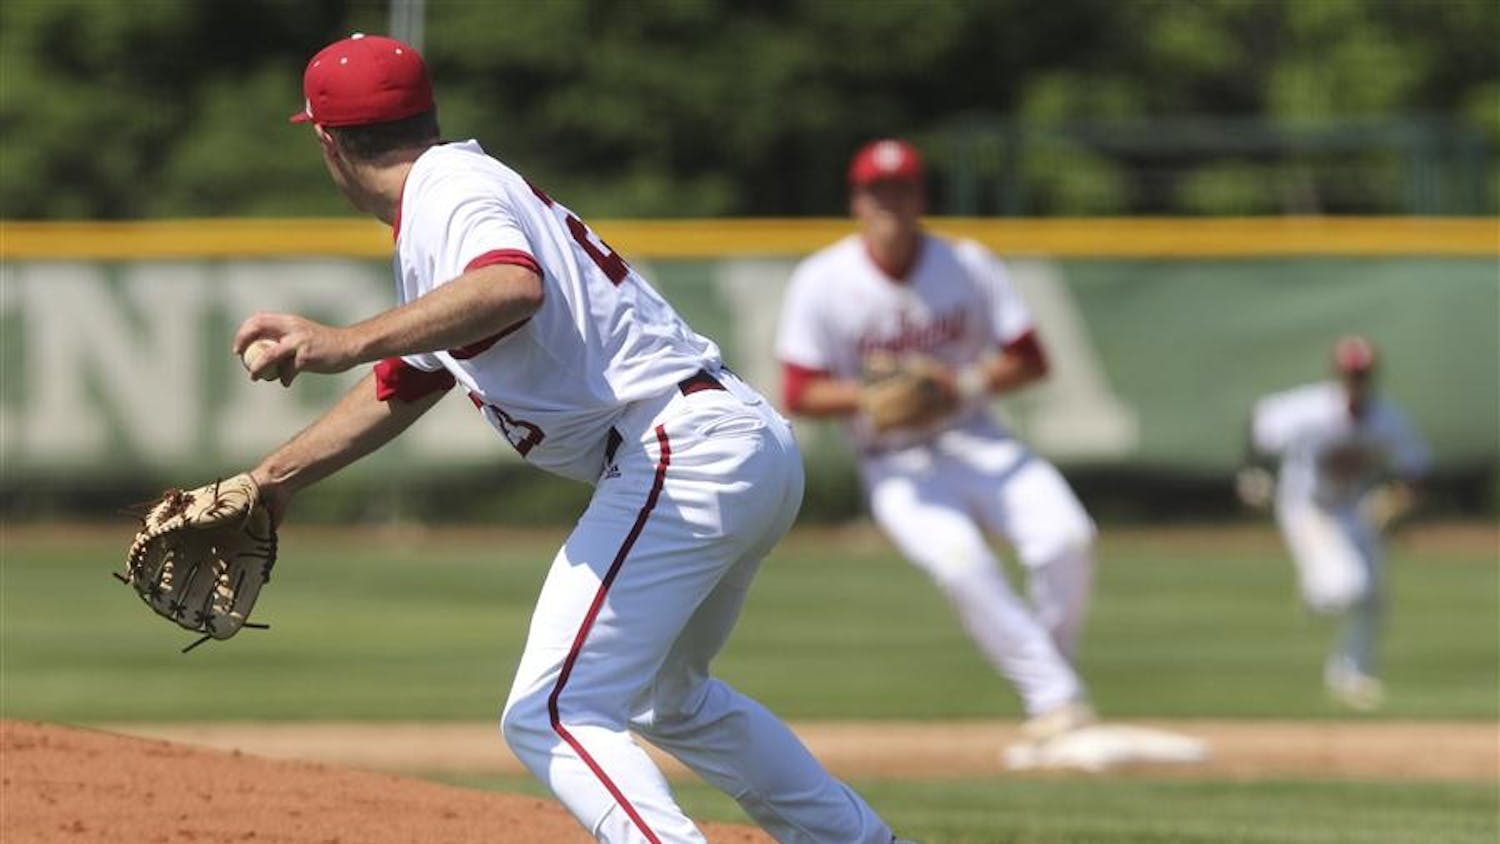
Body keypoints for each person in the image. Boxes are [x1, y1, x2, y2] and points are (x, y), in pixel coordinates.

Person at [234, 34, 908, 844]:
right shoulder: (451, 194)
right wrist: (273, 479)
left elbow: (509, 285)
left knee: (551, 711)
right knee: (670, 699)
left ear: (326, 141)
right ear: (425, 115)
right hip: (727, 441)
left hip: (679, 449)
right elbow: (407, 380)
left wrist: (344, 339)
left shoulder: (448, 191)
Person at [774, 139, 1099, 749]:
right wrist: (871, 398)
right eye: (878, 191)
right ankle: (1056, 699)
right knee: (962, 563)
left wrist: (961, 384)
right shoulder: (822, 280)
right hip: (895, 462)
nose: (890, 203)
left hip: (978, 439)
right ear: (856, 201)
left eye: (902, 189)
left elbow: (1030, 359)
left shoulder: (968, 264)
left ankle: (1053, 686)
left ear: (921, 196)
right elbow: (798, 390)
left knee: (1066, 539)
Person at [1238, 335, 1431, 711]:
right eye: (1350, 373)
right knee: (1345, 588)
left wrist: (1397, 499)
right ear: (1337, 373)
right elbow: (1259, 422)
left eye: (1362, 374)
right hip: (1308, 508)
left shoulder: (1387, 417)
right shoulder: (1309, 409)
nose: (1356, 380)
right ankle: (1316, 592)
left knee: (1372, 597)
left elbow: (1417, 468)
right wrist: (1251, 472)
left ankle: (1351, 676)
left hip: (1357, 511)